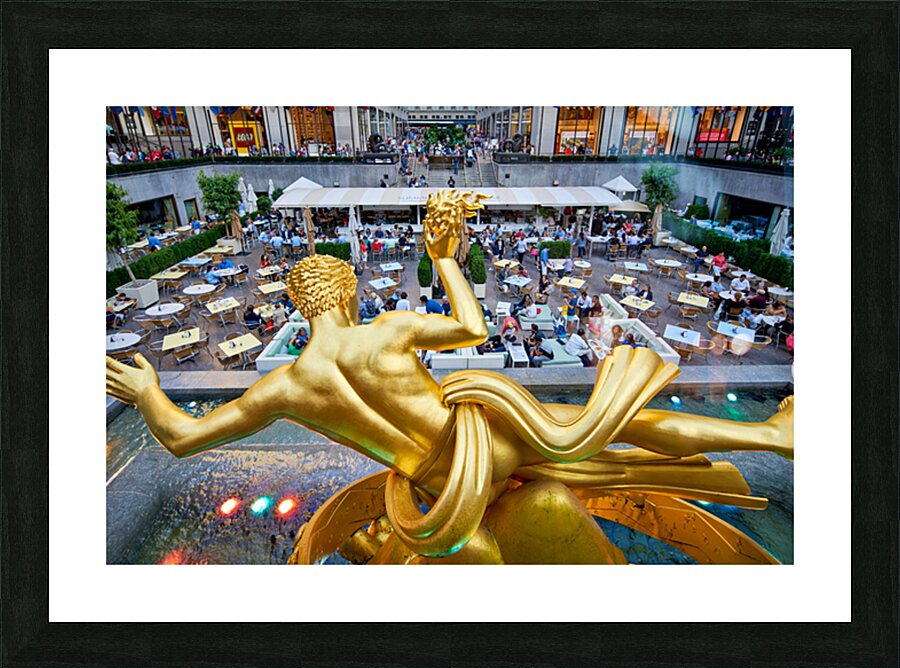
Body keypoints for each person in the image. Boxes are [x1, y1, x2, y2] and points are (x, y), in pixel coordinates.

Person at [108, 191, 793, 562]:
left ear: (301, 305)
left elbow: (183, 440)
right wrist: (443, 258)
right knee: (621, 426)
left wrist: (147, 393)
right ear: (347, 294)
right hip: (487, 441)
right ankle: (769, 435)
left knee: (591, 457)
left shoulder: (283, 386)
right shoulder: (388, 329)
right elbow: (473, 326)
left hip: (443, 490)